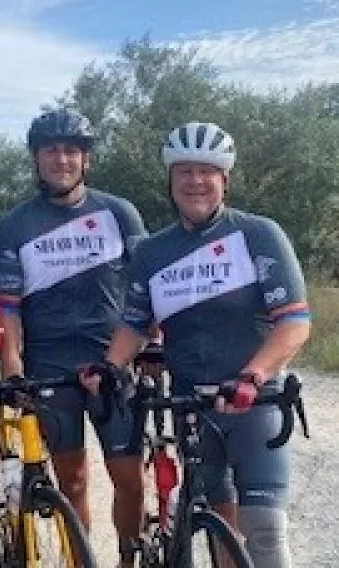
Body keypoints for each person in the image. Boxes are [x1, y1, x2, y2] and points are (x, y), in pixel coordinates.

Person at [85, 121, 311, 568]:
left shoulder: (258, 234)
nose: (195, 181)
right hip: (193, 406)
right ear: (170, 181)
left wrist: (255, 374)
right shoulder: (152, 252)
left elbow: (294, 322)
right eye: (183, 171)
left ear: (224, 179)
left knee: (264, 528)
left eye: (206, 171)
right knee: (218, 526)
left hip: (254, 402)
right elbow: (134, 322)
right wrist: (110, 366)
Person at [0, 108, 151, 567]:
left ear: (86, 159)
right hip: (49, 361)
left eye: (71, 150)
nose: (60, 159)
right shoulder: (16, 223)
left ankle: (127, 556)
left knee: (128, 476)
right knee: (74, 479)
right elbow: (9, 305)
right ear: (36, 159)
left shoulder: (118, 212)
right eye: (50, 150)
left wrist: (153, 345)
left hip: (112, 357)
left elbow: (148, 289)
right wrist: (12, 365)